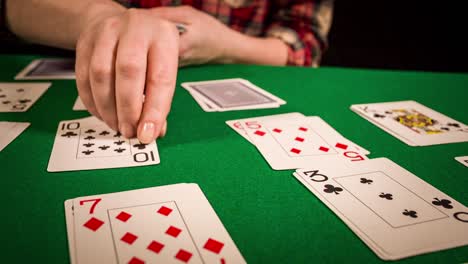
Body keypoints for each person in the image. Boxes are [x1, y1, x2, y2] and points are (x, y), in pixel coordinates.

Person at [2, 0, 334, 143]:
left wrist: (224, 43)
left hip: (233, 73)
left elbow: (305, 45)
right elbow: (16, 7)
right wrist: (98, 18)